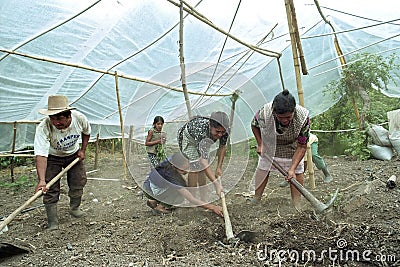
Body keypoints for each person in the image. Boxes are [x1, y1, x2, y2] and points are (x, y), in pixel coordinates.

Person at [34, 95, 91, 230]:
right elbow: (41, 155)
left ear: (69, 116)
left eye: (59, 118)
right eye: (52, 118)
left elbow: (86, 133)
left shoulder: (80, 118)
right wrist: (42, 181)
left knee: (78, 181)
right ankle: (52, 221)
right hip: (53, 157)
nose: (55, 122)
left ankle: (74, 208)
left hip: (73, 154)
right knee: (50, 187)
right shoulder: (43, 127)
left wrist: (82, 150)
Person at [250, 89, 310, 210]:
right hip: (270, 144)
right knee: (263, 169)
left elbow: (302, 146)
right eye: (280, 117)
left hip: (292, 146)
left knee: (297, 173)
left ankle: (297, 204)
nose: (284, 120)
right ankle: (256, 198)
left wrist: (292, 169)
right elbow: (254, 125)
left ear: (294, 111)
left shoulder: (303, 117)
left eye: (288, 117)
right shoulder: (265, 112)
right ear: (274, 112)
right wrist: (261, 144)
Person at [143, 152, 224, 217]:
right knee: (180, 196)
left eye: (188, 167)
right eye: (183, 169)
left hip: (148, 184)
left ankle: (153, 200)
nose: (187, 171)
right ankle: (160, 207)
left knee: (183, 187)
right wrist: (212, 207)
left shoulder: (173, 159)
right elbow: (190, 198)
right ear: (174, 167)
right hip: (150, 189)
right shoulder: (170, 175)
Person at [177, 111, 229, 200]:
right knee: (195, 167)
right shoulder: (201, 130)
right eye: (217, 131)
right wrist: (216, 184)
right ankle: (193, 199)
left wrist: (219, 167)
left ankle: (203, 199)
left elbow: (222, 147)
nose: (220, 135)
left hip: (203, 140)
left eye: (222, 132)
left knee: (201, 169)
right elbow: (203, 162)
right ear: (210, 125)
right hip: (188, 139)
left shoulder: (225, 130)